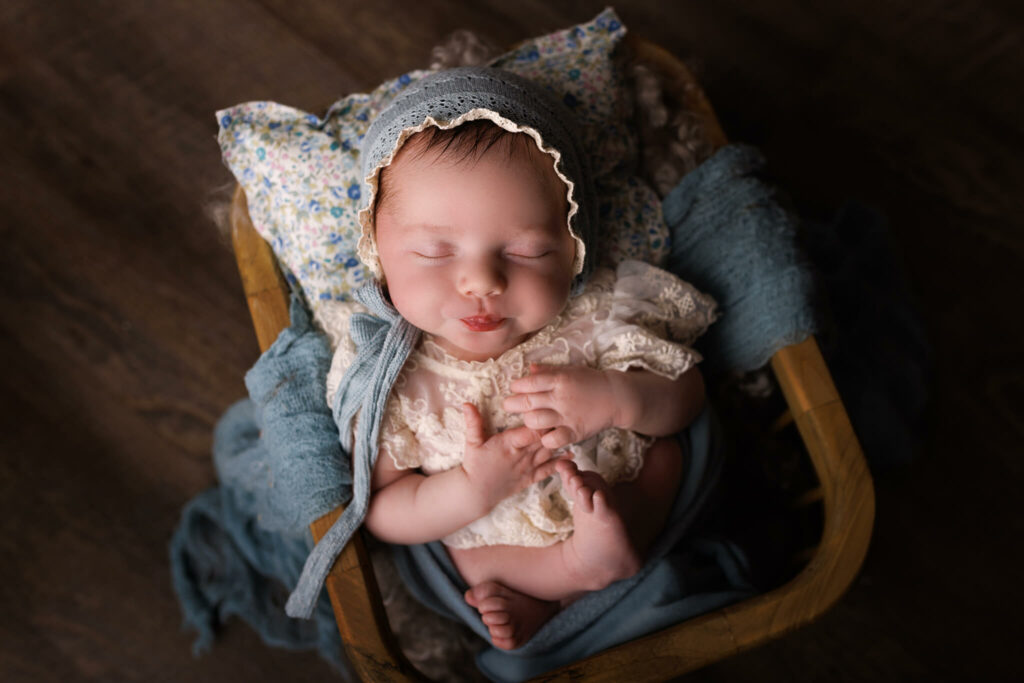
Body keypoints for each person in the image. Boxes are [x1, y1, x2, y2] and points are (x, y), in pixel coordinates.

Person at [317, 67, 717, 650]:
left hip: (620, 493)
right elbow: (382, 510)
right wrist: (471, 490)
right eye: (433, 251)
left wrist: (616, 396)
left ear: (574, 245)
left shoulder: (596, 313)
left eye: (526, 250)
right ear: (377, 253)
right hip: (498, 531)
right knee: (467, 555)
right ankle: (571, 576)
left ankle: (579, 578)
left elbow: (687, 396)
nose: (481, 281)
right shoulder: (392, 377)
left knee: (666, 461)